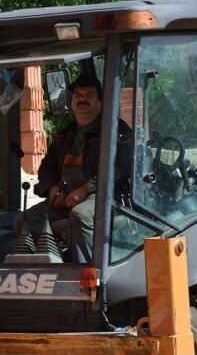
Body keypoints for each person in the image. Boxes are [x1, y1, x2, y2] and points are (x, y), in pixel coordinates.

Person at [16, 74, 132, 263]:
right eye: (77, 94)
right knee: (24, 221)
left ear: (101, 102)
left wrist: (86, 189)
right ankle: (47, 268)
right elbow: (47, 166)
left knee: (80, 215)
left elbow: (120, 169)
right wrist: (53, 188)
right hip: (66, 198)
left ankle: (87, 275)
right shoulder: (66, 134)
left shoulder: (117, 131)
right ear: (71, 102)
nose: (82, 98)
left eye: (89, 94)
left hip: (106, 197)